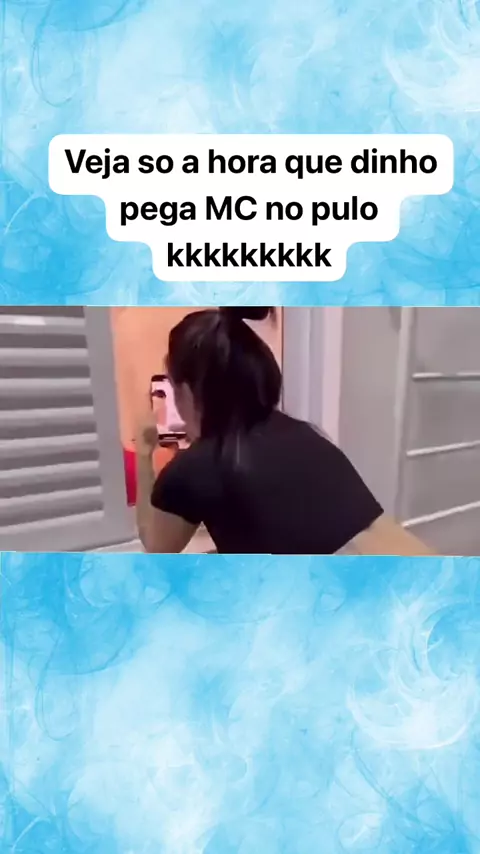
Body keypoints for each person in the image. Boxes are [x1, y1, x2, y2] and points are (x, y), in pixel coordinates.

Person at [135, 307, 434, 555]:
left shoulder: (194, 468)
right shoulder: (306, 435)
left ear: (187, 391)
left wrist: (143, 451)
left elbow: (156, 547)